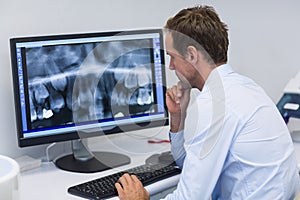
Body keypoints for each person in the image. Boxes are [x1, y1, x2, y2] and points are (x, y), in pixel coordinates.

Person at [115, 5, 300, 199]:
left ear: (192, 55)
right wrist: (178, 119)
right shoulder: (245, 87)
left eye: (172, 57)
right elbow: (192, 169)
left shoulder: (215, 105)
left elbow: (191, 197)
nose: (170, 66)